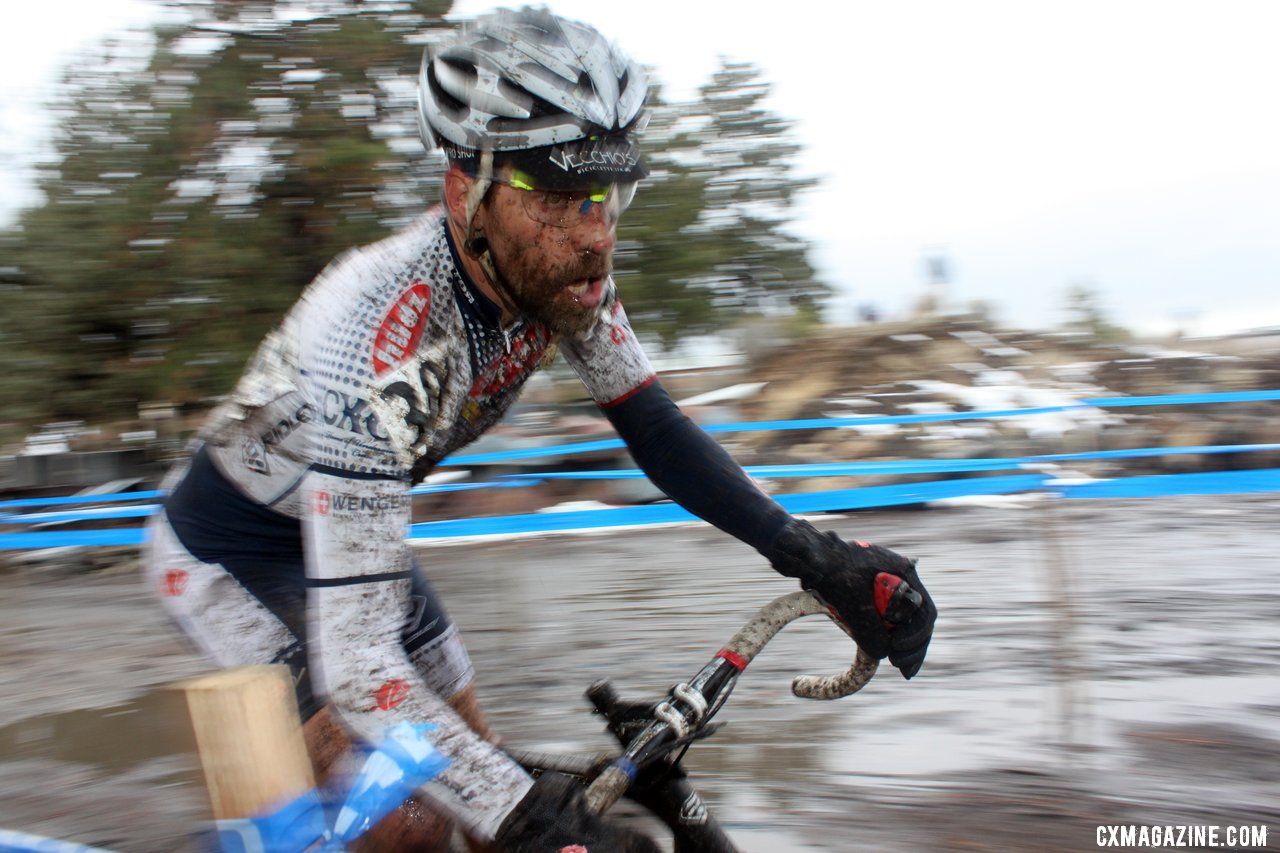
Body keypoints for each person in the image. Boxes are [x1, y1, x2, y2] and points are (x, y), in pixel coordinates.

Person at [146, 7, 937, 851]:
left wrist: (818, 557)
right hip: (232, 551)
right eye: (558, 198)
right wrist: (521, 814)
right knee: (409, 823)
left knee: (484, 780)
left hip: (354, 537)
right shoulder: (373, 330)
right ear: (467, 194)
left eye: (608, 193)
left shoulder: (554, 272)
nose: (595, 236)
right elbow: (359, 672)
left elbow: (656, 430)